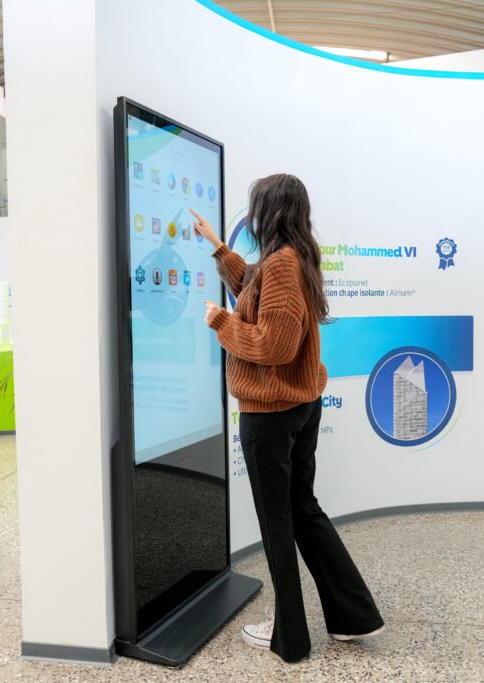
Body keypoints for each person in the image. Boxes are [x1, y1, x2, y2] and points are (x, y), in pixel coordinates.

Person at [189, 174, 384, 663]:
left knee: (278, 522)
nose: (253, 216)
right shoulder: (297, 256)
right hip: (300, 405)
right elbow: (254, 289)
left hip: (271, 413)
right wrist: (217, 247)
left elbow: (273, 345)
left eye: (257, 207)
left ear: (269, 211)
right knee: (302, 510)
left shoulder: (281, 263)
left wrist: (220, 321)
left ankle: (289, 636)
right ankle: (354, 615)